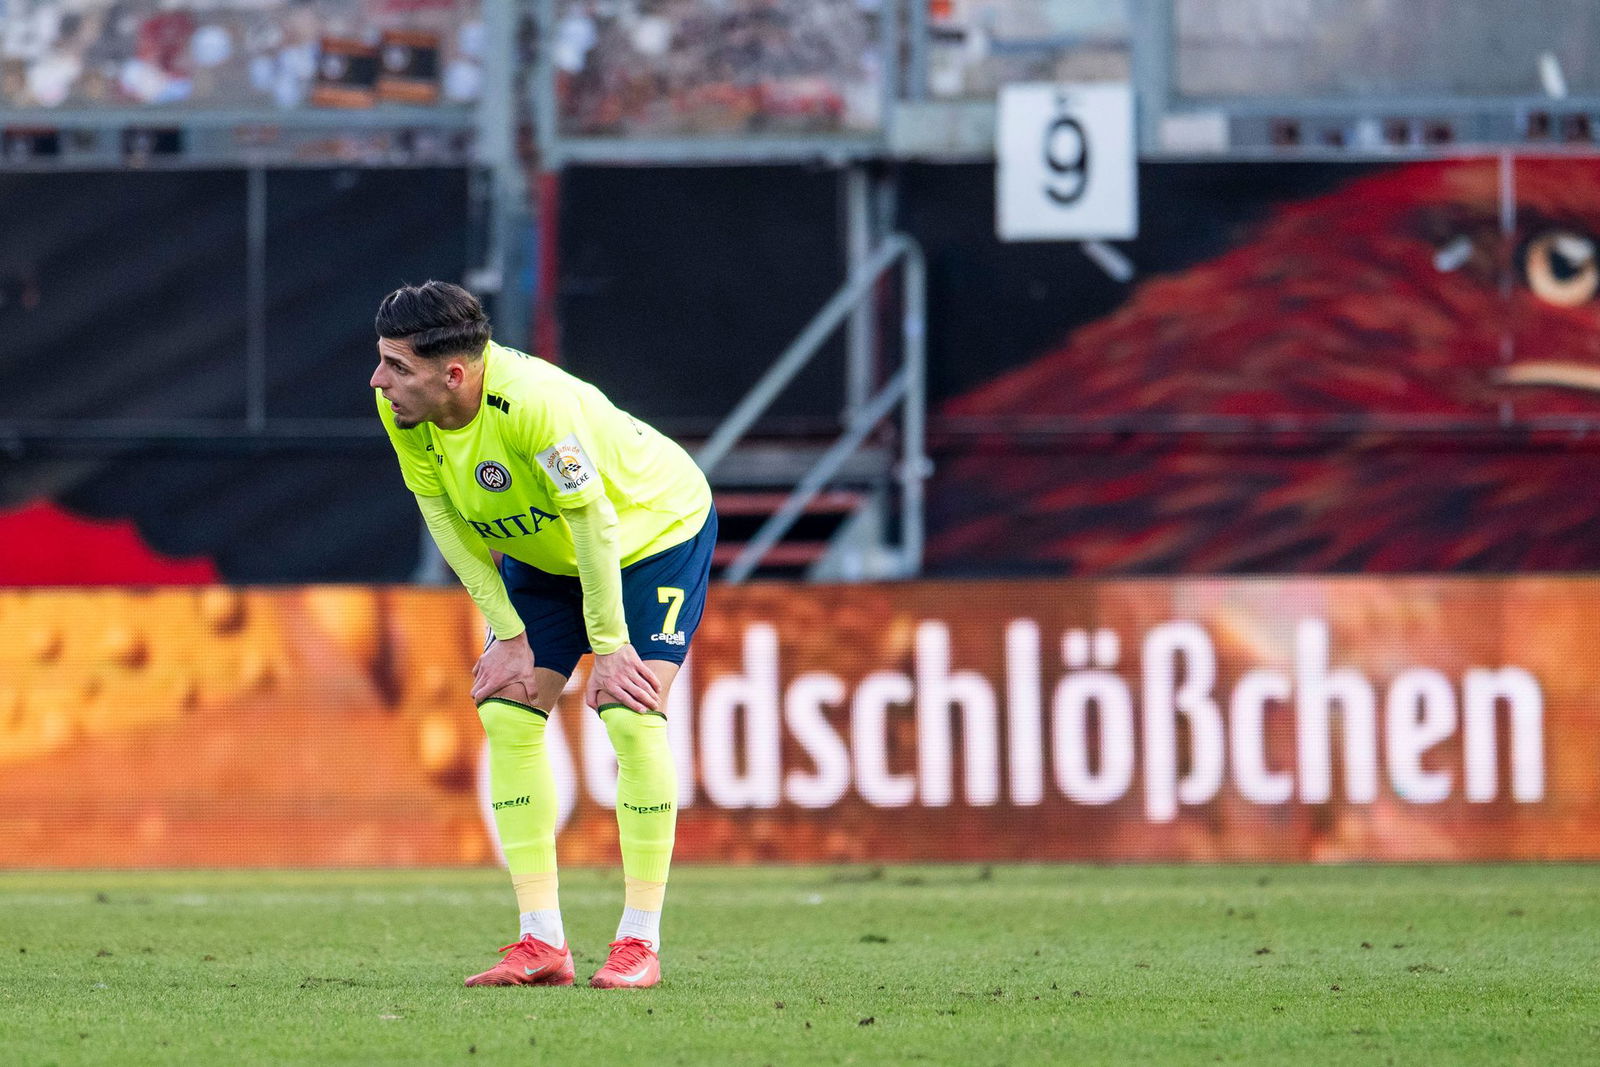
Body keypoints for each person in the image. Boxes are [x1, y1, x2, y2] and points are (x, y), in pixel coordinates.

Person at [370, 280, 715, 989]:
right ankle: (542, 942)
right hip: (545, 546)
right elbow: (442, 516)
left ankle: (638, 943)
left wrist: (612, 645)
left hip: (651, 532)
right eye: (381, 361)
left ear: (454, 374)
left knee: (631, 711)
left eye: (397, 365)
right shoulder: (400, 408)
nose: (380, 380)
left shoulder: (534, 404)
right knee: (507, 705)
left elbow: (596, 522)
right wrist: (506, 632)